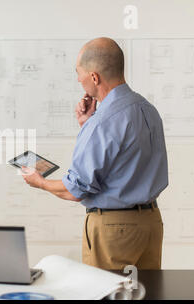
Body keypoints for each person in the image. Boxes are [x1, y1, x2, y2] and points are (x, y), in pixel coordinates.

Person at [22, 37, 168, 270]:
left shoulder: (103, 123)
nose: (78, 79)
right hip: (150, 223)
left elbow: (76, 190)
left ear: (94, 77)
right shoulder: (147, 110)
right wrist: (86, 124)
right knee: (145, 293)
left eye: (79, 73)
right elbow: (124, 158)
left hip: (114, 230)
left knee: (106, 292)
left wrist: (40, 182)